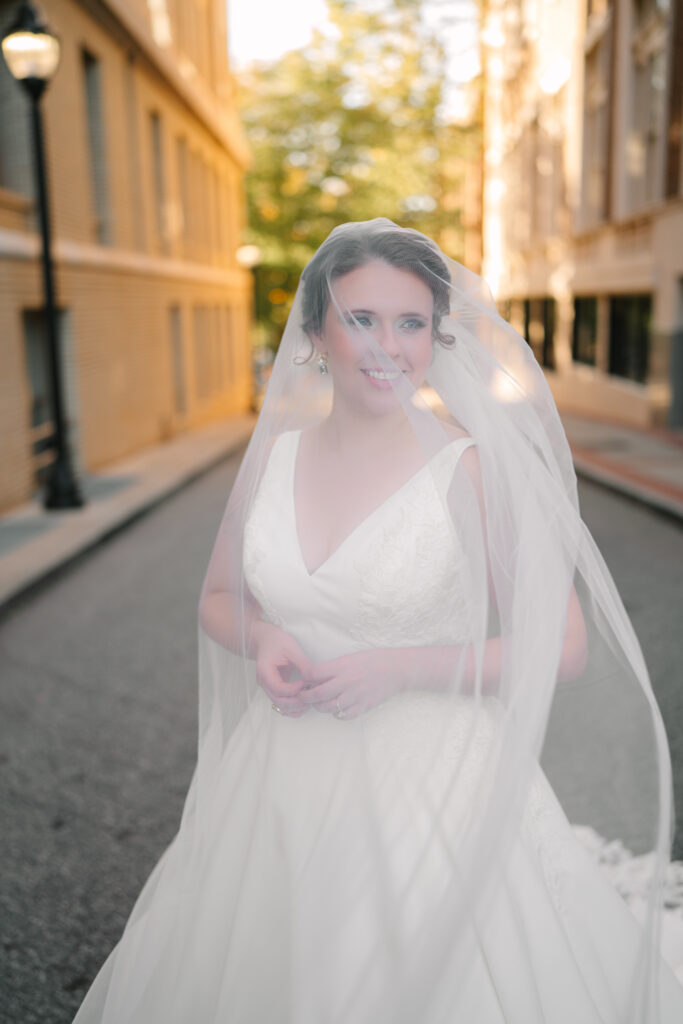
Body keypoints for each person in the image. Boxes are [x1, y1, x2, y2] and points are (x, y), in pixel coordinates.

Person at [72, 219, 683, 1023]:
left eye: (410, 323)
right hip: (279, 778)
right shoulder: (272, 460)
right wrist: (264, 638)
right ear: (317, 328)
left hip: (429, 785)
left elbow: (562, 646)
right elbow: (218, 600)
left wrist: (400, 666)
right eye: (361, 319)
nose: (386, 346)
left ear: (436, 336)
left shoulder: (470, 469)